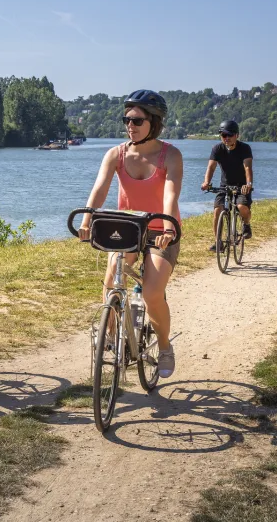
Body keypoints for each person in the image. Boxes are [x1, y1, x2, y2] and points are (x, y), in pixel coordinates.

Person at [78, 90, 183, 378]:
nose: (130, 125)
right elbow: (99, 189)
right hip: (128, 228)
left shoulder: (170, 155)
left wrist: (170, 227)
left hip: (162, 229)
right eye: (127, 119)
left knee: (151, 292)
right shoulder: (116, 154)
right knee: (112, 277)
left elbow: (170, 196)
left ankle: (164, 347)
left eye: (137, 120)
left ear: (154, 122)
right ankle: (109, 337)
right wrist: (87, 220)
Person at [200, 120, 254, 251]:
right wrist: (206, 182)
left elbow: (248, 167)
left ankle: (246, 224)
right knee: (218, 210)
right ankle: (218, 242)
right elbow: (211, 167)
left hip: (242, 186)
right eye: (224, 135)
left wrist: (248, 184)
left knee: (241, 207)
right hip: (224, 185)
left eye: (230, 135)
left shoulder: (245, 148)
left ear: (237, 135)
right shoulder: (217, 149)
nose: (227, 138)